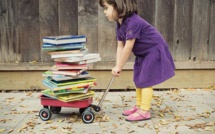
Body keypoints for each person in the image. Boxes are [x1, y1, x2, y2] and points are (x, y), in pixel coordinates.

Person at [99, 0, 175, 122]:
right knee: (138, 79)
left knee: (145, 80)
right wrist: (118, 65)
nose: (104, 12)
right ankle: (139, 106)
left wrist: (119, 66)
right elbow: (120, 46)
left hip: (153, 51)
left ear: (118, 6)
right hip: (142, 54)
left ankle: (144, 111)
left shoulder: (133, 22)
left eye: (106, 8)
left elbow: (128, 47)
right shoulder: (120, 23)